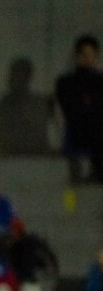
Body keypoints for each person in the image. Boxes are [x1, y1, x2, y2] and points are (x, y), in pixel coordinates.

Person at [55, 34, 103, 182]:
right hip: (77, 137)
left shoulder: (100, 80)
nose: (88, 58)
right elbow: (70, 107)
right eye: (84, 54)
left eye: (91, 55)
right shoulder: (66, 82)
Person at [0, 57, 54, 157]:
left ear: (27, 77)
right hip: (10, 157)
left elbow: (41, 135)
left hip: (36, 158)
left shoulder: (40, 102)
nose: (12, 78)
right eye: (12, 74)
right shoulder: (4, 103)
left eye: (18, 74)